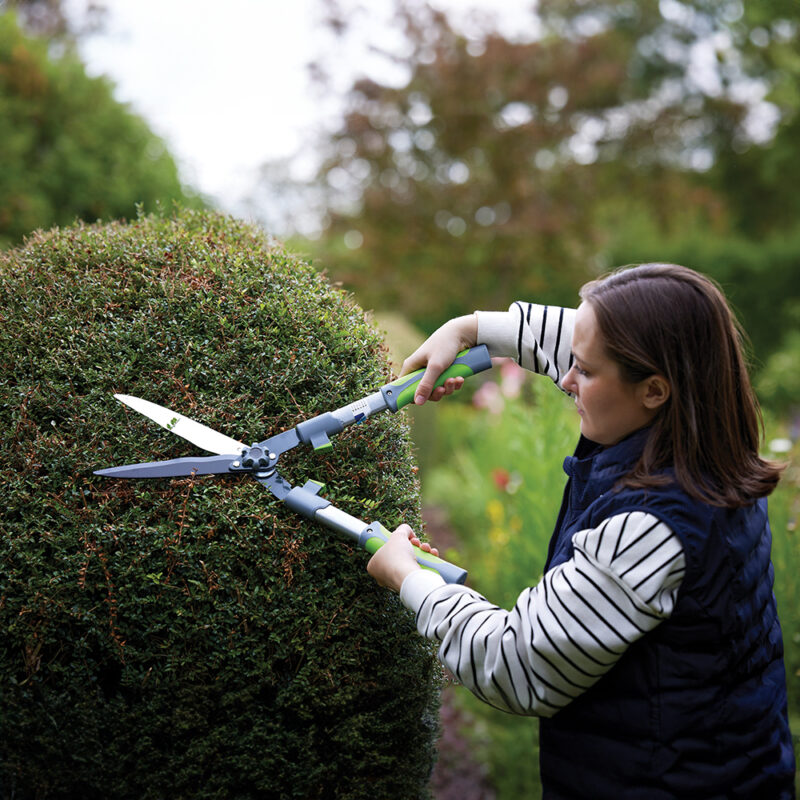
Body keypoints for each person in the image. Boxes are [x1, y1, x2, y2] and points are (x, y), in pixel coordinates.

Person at [367, 263, 796, 798]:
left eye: (585, 373)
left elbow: (519, 664)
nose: (566, 379)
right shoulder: (706, 437)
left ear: (654, 390)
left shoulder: (649, 528)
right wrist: (470, 328)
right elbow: (588, 338)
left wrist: (410, 579)